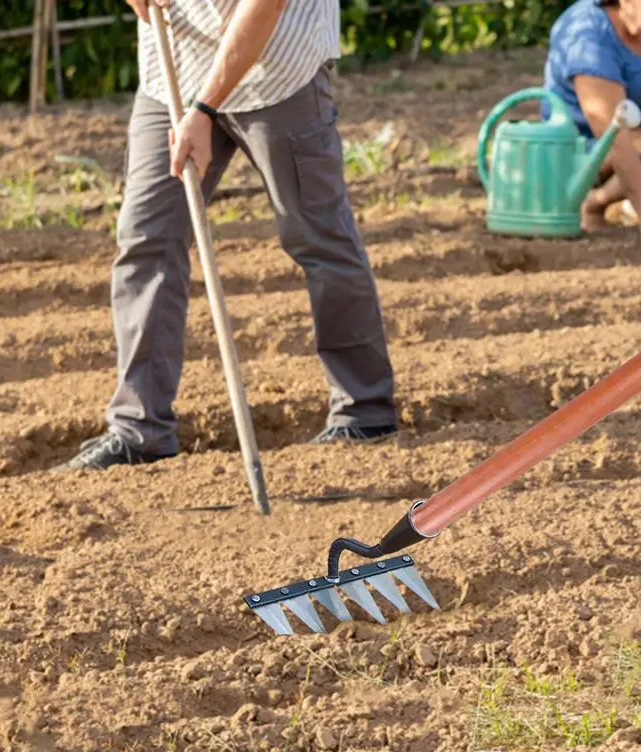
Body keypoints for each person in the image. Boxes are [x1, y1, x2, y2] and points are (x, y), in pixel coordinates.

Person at [55, 0, 398, 471]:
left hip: (279, 69)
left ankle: (365, 411)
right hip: (175, 65)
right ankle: (140, 428)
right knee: (146, 239)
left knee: (318, 237)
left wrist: (204, 108)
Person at [543, 0, 641, 262]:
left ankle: (630, 200)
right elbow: (613, 135)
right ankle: (592, 204)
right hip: (584, 149)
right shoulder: (587, 34)